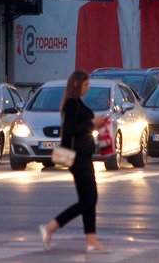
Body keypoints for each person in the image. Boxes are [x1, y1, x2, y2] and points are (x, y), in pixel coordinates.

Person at [39, 70, 110, 253]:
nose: (88, 88)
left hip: (84, 156)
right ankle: (51, 228)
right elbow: (70, 129)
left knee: (90, 198)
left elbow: (78, 126)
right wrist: (92, 123)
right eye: (86, 85)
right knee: (88, 199)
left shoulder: (77, 103)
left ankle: (91, 240)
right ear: (77, 84)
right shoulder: (72, 104)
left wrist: (98, 123)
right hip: (77, 158)